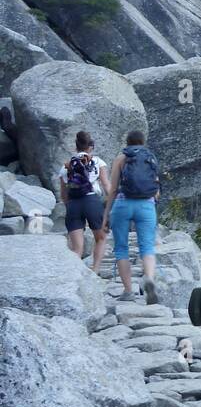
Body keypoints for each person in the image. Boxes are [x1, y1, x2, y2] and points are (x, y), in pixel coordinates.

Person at [101, 130, 161, 304]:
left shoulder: (121, 158)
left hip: (123, 204)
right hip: (146, 205)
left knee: (121, 248)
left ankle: (128, 291)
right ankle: (148, 278)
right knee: (147, 247)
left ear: (127, 143)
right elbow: (156, 189)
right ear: (143, 142)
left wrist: (106, 215)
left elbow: (112, 189)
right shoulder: (150, 158)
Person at [57, 131, 110, 272]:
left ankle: (74, 276)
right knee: (101, 238)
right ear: (90, 147)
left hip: (73, 204)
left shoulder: (65, 167)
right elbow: (106, 185)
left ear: (75, 147)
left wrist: (70, 206)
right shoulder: (98, 162)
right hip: (92, 201)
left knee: (77, 248)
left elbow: (63, 194)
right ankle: (95, 270)